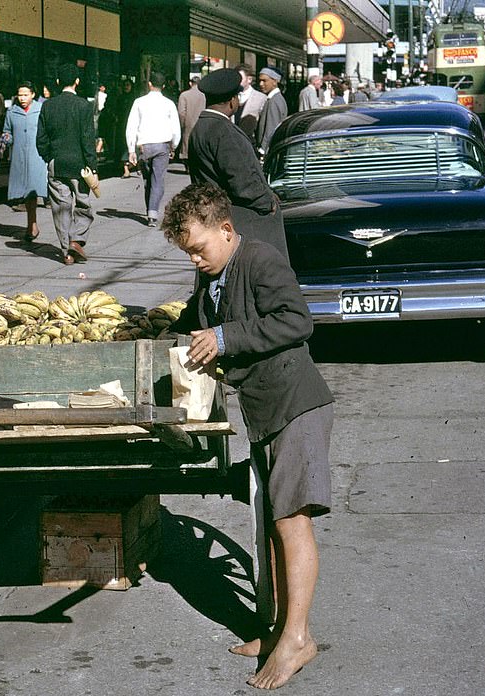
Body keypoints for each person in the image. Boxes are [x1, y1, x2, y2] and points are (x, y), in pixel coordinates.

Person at [162, 183, 333, 691]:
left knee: (291, 523)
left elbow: (297, 322)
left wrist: (225, 337)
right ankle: (277, 628)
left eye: (199, 247)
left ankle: (298, 639)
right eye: (187, 252)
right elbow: (198, 321)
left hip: (296, 407)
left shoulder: (259, 260)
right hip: (265, 413)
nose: (195, 259)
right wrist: (156, 327)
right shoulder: (212, 276)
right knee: (270, 528)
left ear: (227, 229)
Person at [187, 68, 288, 260]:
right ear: (233, 100)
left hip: (216, 214)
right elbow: (241, 180)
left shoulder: (201, 127)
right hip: (240, 220)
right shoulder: (223, 131)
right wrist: (268, 203)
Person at [36, 63, 97, 265]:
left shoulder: (47, 105)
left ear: (58, 82)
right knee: (83, 205)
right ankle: (76, 239)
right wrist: (92, 166)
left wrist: (48, 157)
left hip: (57, 163)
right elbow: (88, 139)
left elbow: (41, 139)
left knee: (61, 208)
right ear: (77, 82)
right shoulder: (85, 106)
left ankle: (66, 252)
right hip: (79, 165)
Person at [125, 71, 181, 227]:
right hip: (162, 145)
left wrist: (131, 149)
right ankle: (152, 212)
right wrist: (173, 146)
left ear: (149, 84)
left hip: (144, 147)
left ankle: (150, 208)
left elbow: (131, 126)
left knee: (147, 180)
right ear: (163, 86)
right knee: (158, 179)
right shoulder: (169, 104)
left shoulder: (139, 102)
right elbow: (176, 128)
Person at [1, 81, 48, 241]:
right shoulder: (12, 112)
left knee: (34, 190)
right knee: (27, 192)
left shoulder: (41, 110)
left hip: (37, 156)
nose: (22, 98)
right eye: (20, 95)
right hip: (20, 156)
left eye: (25, 95)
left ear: (33, 95)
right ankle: (31, 225)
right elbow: (7, 131)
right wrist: (6, 138)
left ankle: (32, 225)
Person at [255, 67, 288, 161]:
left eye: (264, 81)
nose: (261, 84)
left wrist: (263, 150)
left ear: (275, 81)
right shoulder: (273, 99)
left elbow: (271, 128)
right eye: (260, 81)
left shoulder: (274, 101)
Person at [234, 64, 266, 142]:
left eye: (240, 78)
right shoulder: (231, 96)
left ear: (249, 80)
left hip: (250, 142)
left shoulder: (261, 98)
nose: (237, 81)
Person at [177, 75, 204, 166]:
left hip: (188, 123)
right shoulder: (204, 95)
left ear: (190, 83)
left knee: (187, 143)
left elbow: (181, 112)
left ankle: (187, 164)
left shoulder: (184, 95)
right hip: (201, 123)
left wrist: (182, 124)